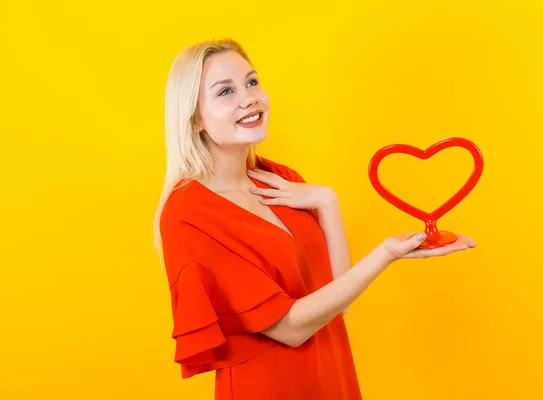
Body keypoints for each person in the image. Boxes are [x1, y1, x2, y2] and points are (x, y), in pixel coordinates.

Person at [152, 38, 477, 400]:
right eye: (225, 91)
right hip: (270, 388)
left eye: (252, 82)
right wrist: (385, 254)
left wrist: (327, 200)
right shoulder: (188, 214)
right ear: (194, 118)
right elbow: (290, 328)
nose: (249, 98)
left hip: (332, 376)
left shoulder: (283, 181)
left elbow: (342, 299)